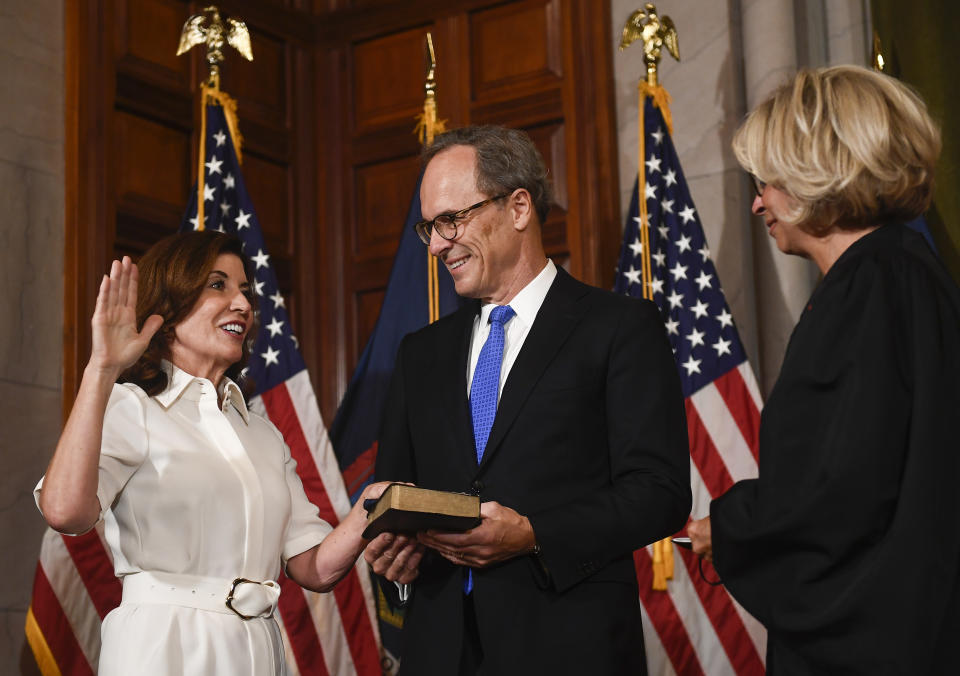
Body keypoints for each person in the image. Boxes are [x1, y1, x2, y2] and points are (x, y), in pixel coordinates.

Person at [364, 125, 692, 675]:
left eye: (452, 220)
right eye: (430, 227)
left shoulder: (618, 328)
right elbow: (400, 489)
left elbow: (659, 492)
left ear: (518, 207)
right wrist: (392, 545)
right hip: (440, 651)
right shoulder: (421, 354)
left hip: (568, 644)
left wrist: (534, 534)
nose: (439, 244)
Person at [687, 65, 960, 673]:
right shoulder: (906, 274)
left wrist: (729, 529)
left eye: (769, 181)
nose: (758, 202)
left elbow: (841, 488)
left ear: (819, 172)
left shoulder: (869, 286)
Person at [36, 231, 399, 675]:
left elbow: (313, 568)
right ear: (167, 311)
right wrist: (101, 369)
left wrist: (370, 508)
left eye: (245, 291)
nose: (243, 305)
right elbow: (64, 512)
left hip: (259, 650)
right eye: (218, 285)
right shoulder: (131, 406)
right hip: (163, 646)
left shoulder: (263, 435)